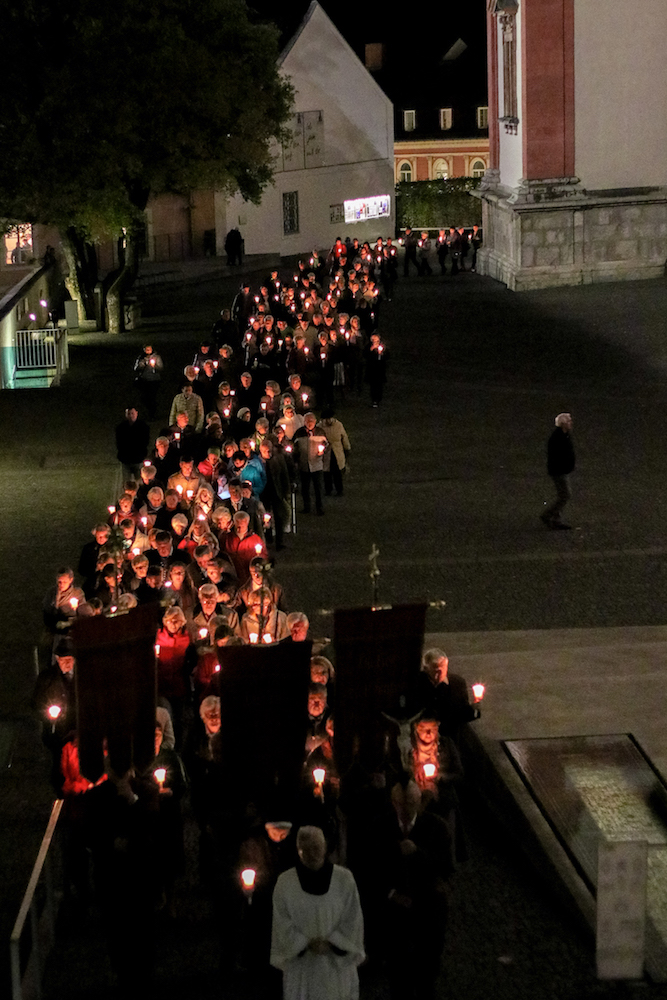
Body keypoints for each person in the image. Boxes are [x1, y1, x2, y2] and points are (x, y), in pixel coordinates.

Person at [270, 825, 365, 1000]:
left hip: (335, 967)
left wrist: (333, 942)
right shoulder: (285, 883)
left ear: (325, 848)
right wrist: (305, 943)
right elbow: (281, 922)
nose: (311, 854)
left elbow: (353, 919)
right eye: (305, 849)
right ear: (298, 851)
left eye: (316, 848)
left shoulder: (344, 880)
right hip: (302, 968)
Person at [540, 412, 575, 530]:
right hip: (559, 471)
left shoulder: (563, 435)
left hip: (561, 470)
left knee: (563, 495)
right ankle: (549, 515)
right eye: (569, 421)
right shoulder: (558, 437)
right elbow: (558, 456)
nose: (571, 423)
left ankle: (556, 519)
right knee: (565, 495)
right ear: (563, 424)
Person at [115, 406, 150, 480]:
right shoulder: (121, 427)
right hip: (126, 459)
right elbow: (119, 443)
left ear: (137, 413)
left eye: (132, 413)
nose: (131, 416)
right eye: (129, 414)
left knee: (140, 481)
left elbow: (145, 442)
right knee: (126, 481)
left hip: (138, 459)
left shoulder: (143, 427)